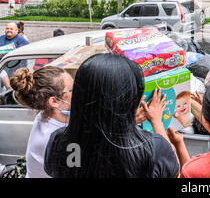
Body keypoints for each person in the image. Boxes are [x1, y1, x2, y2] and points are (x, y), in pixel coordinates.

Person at [44, 53, 179, 178]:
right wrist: (157, 122)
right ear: (135, 101)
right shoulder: (154, 148)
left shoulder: (60, 141)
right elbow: (174, 170)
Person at [10, 66, 73, 178]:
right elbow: (76, 168)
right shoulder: (54, 139)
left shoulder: (46, 113)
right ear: (54, 101)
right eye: (72, 89)